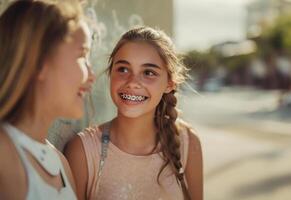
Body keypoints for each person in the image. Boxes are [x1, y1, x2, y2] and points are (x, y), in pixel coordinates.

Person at [65, 26, 203, 200]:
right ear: (111, 74)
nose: (132, 82)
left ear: (169, 84)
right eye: (123, 69)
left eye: (148, 72)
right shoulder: (83, 151)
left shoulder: (188, 142)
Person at [0, 0, 95, 199]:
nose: (92, 75)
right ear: (39, 62)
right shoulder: (4, 155)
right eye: (82, 55)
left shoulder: (61, 163)